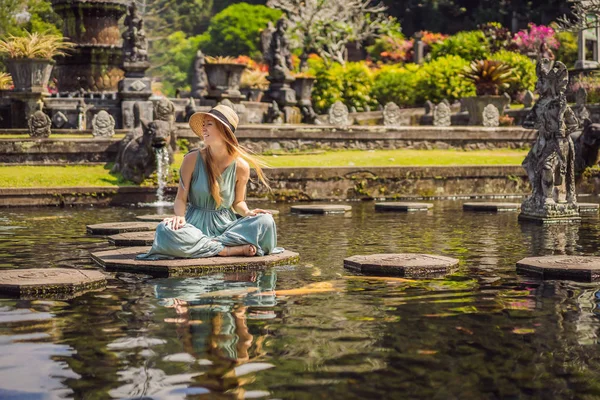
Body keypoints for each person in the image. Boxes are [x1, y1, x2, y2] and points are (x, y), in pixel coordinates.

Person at [137, 104, 282, 260]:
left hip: (227, 228)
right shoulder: (191, 159)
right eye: (203, 125)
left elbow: (238, 202)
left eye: (209, 124)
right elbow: (180, 198)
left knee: (266, 221)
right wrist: (179, 217)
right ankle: (227, 250)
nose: (204, 129)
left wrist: (248, 213)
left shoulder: (241, 167)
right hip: (193, 228)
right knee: (164, 230)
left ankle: (204, 245)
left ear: (223, 130)